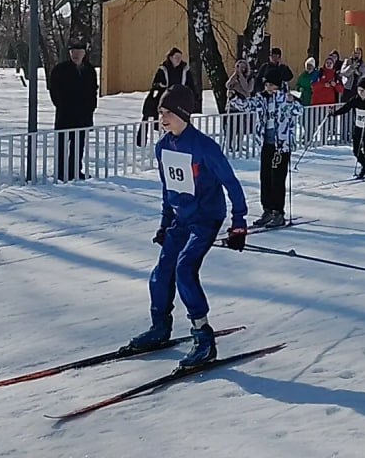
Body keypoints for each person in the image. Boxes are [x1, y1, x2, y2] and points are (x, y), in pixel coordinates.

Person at [125, 85, 249, 368]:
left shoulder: (204, 147)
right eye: (160, 113)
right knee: (162, 270)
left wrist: (238, 223)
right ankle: (160, 326)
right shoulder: (163, 147)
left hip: (206, 218)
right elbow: (170, 190)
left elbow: (231, 184)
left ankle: (203, 337)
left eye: (168, 113)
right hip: (180, 219)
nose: (162, 118)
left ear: (183, 113)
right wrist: (164, 223)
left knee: (184, 268)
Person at [240, 74, 303, 228]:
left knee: (277, 178)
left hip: (281, 146)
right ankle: (267, 209)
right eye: (266, 85)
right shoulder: (261, 98)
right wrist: (234, 98)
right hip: (266, 143)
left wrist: (292, 101)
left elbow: (299, 111)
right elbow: (246, 105)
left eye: (271, 85)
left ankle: (278, 212)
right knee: (265, 177)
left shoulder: (283, 98)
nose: (268, 88)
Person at [50, 40, 98, 181]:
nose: (76, 55)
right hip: (65, 115)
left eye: (79, 52)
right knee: (62, 146)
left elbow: (93, 92)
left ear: (84, 53)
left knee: (78, 146)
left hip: (83, 116)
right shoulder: (60, 70)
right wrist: (63, 106)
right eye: (73, 52)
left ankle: (76, 171)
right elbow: (54, 92)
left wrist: (90, 110)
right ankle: (61, 172)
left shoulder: (89, 70)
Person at [331, 76, 365, 181]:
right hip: (358, 127)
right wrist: (335, 113)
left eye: (363, 90)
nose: (360, 92)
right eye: (359, 90)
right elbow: (346, 107)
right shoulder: (355, 100)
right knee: (356, 150)